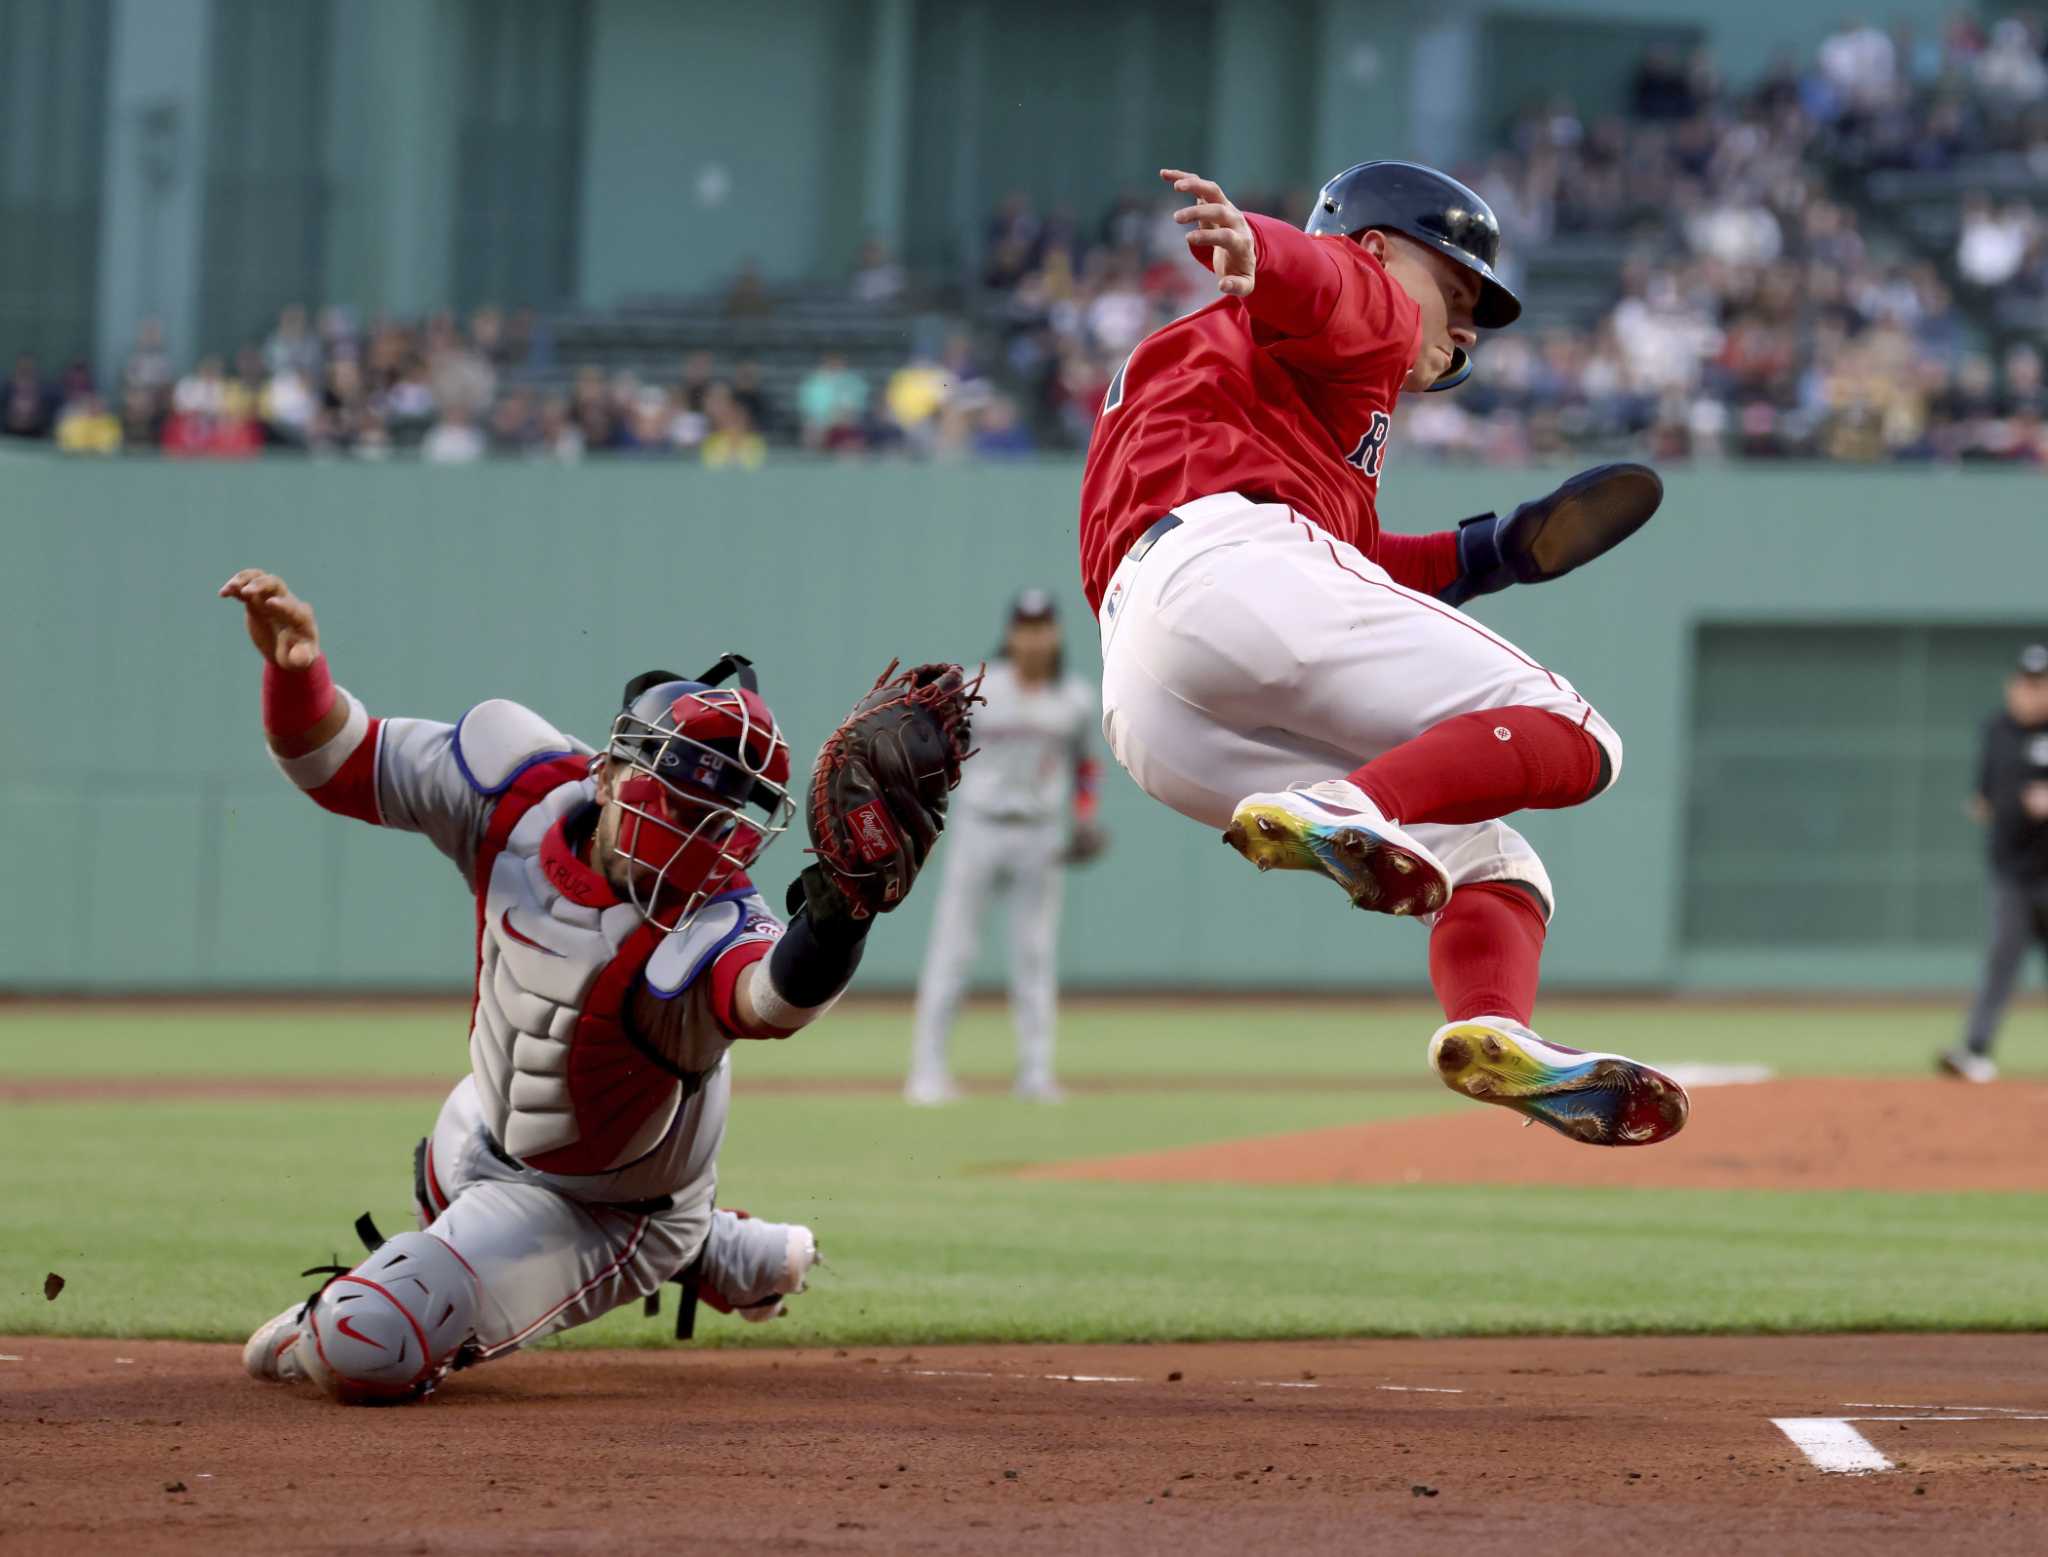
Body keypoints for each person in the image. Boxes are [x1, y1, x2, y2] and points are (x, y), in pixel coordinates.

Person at [219, 569, 952, 1403]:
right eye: (681, 803)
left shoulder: (713, 919)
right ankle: (721, 1249)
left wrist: (844, 913)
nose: (701, 837)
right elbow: (335, 760)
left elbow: (774, 998)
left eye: (723, 822)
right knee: (438, 1167)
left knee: (361, 1341)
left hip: (613, 1209)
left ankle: (679, 1244)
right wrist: (295, 668)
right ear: (609, 773)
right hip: (487, 1123)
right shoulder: (514, 787)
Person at [1078, 162, 1688, 1148]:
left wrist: (1495, 550)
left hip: (1150, 687)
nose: (1466, 325)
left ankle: (1489, 1027)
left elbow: (1350, 567)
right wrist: (1261, 247)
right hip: (1231, 571)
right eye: (1456, 288)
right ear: (1376, 248)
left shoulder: (1276, 389)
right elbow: (1331, 284)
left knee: (1494, 860)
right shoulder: (1354, 297)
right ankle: (1344, 808)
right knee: (1580, 738)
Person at [908, 592, 1103, 1104]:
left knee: (1034, 954)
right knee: (954, 948)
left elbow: (1086, 767)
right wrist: (928, 824)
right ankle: (926, 1073)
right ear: (1011, 633)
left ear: (1056, 633)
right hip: (979, 826)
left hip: (1040, 832)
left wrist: (1085, 819)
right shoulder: (981, 687)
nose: (1034, 636)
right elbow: (942, 757)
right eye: (1025, 626)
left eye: (1043, 626)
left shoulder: (1075, 698)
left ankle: (1035, 1073)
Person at [1940, 643, 2048, 1082]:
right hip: (2011, 871)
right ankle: (1975, 1049)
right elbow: (1984, 792)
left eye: (2040, 685)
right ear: (2012, 686)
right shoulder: (1995, 731)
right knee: (2002, 957)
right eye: (2026, 683)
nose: (2031, 692)